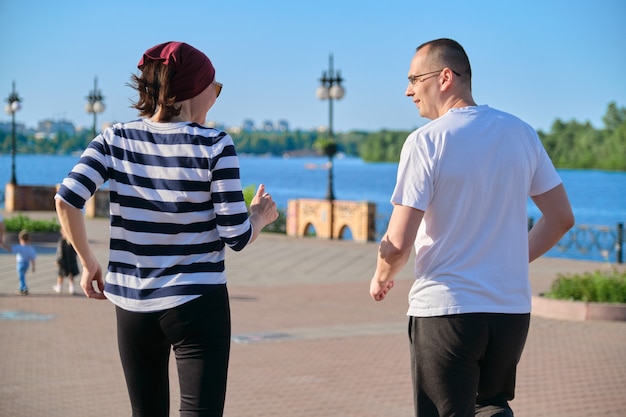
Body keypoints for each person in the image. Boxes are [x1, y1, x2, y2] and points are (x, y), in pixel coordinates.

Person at [55, 41, 278, 417]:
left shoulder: (116, 138)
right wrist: (259, 215)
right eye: (216, 88)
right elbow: (235, 236)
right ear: (195, 89)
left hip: (131, 303)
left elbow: (66, 199)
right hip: (197, 303)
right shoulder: (214, 145)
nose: (216, 97)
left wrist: (88, 261)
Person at [369, 38, 575, 417]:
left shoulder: (426, 142)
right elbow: (562, 218)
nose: (408, 90)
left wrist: (381, 275)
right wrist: (511, 258)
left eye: (415, 78)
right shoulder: (521, 133)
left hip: (447, 311)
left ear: (445, 77)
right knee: (492, 409)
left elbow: (398, 243)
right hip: (509, 312)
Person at [5, 230, 37, 296]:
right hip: (27, 264)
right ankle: (20, 289)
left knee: (21, 277)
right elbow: (33, 259)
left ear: (20, 239)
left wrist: (3, 245)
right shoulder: (30, 248)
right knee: (22, 276)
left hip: (20, 263)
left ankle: (24, 288)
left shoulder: (19, 247)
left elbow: (10, 249)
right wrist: (33, 267)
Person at [53, 227, 79, 294]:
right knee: (71, 275)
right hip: (72, 261)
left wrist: (58, 260)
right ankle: (72, 288)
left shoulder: (62, 241)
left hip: (63, 261)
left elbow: (60, 252)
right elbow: (76, 251)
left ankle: (59, 287)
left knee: (60, 275)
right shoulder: (72, 241)